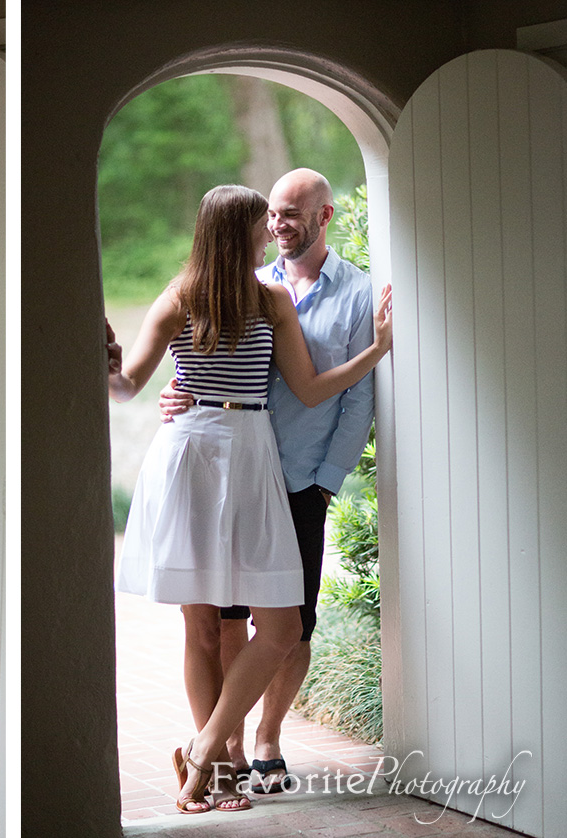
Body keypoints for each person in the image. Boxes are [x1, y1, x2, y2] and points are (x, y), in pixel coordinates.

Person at [107, 184, 391, 815]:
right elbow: (128, 387)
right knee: (202, 624)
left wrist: (375, 350)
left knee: (282, 625)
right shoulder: (180, 298)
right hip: (191, 455)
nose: (272, 226)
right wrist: (107, 365)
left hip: (253, 453)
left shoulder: (272, 297)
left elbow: (311, 389)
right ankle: (218, 775)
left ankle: (204, 747)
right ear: (237, 230)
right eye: (262, 218)